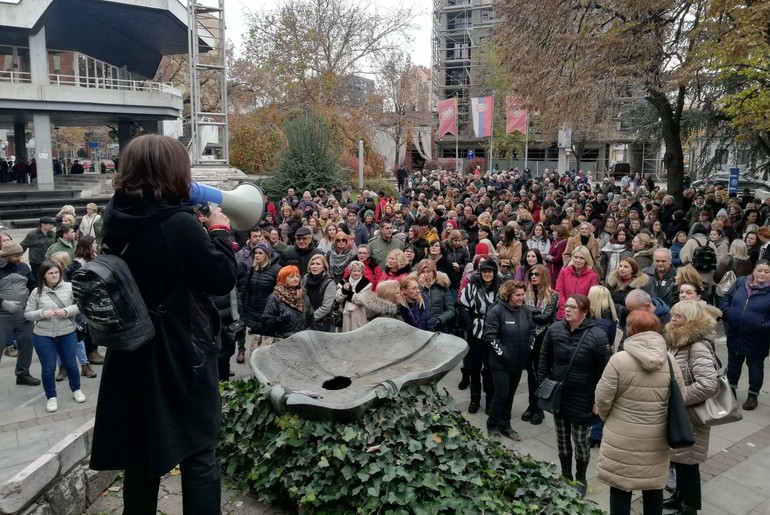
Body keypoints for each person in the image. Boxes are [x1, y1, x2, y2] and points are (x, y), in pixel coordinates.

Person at [89, 134, 237, 514]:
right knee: (198, 451)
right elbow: (221, 277)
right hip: (179, 349)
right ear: (172, 172)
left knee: (142, 452)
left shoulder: (115, 217)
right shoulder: (178, 224)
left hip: (132, 349)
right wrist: (219, 231)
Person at [595, 310, 684, 515]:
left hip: (621, 437)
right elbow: (681, 397)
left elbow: (603, 398)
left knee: (620, 489)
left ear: (631, 330)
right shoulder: (670, 361)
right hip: (657, 437)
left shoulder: (619, 360)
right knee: (653, 489)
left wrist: (609, 418)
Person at [538, 294, 611, 497]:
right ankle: (566, 473)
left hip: (583, 397)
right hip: (560, 395)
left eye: (573, 307)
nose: (567, 310)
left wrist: (599, 399)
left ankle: (580, 477)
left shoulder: (597, 336)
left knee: (579, 440)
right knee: (562, 439)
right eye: (566, 306)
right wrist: (544, 384)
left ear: (585, 311)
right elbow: (544, 358)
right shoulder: (555, 330)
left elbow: (606, 370)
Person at [663, 300, 719, 514]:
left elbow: (708, 384)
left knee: (688, 463)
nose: (673, 320)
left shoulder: (697, 345)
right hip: (682, 415)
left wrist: (679, 399)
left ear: (691, 320)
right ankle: (680, 497)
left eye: (678, 316)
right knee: (682, 461)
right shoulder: (677, 339)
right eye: (673, 315)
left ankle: (690, 507)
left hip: (691, 415)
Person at [24, 260, 86, 413]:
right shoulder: (36, 292)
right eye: (50, 273)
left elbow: (80, 305)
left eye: (56, 272)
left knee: (71, 364)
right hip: (43, 335)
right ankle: (51, 397)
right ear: (43, 275)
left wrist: (66, 311)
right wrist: (41, 313)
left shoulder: (69, 287)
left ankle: (76, 389)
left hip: (67, 333)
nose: (54, 276)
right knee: (48, 368)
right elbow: (27, 314)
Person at [720, 259, 770, 411]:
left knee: (755, 367)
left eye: (767, 272)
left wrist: (763, 325)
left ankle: (752, 395)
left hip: (758, 336)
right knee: (733, 363)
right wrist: (727, 313)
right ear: (753, 270)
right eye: (759, 270)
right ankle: (731, 390)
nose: (762, 274)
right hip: (735, 332)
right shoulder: (741, 282)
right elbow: (726, 297)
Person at [459, 259, 503, 414]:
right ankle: (474, 399)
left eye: (490, 271)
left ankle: (490, 400)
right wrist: (470, 325)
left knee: (490, 367)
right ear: (480, 272)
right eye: (484, 271)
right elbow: (463, 306)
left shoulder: (501, 288)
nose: (487, 274)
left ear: (494, 273)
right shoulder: (472, 287)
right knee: (474, 366)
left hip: (494, 331)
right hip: (476, 329)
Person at [521, 264, 558, 426]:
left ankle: (539, 408)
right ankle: (531, 404)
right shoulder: (525, 293)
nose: (533, 277)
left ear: (544, 276)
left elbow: (546, 318)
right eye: (531, 275)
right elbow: (522, 311)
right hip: (529, 336)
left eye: (537, 274)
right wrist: (535, 312)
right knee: (530, 371)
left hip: (544, 336)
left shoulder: (553, 295)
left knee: (541, 372)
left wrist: (530, 312)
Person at [0, 241, 41, 386]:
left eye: (20, 255)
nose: (19, 258)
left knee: (27, 344)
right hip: (2, 316)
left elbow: (32, 286)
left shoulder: (23, 267)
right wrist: (3, 303)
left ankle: (23, 374)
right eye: (16, 255)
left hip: (23, 314)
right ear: (6, 255)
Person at [237, 241, 280, 362]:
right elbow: (247, 289)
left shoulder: (276, 270)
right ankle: (255, 374)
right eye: (255, 253)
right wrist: (245, 307)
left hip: (267, 314)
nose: (256, 255)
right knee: (255, 347)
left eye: (260, 253)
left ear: (266, 254)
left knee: (267, 346)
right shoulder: (254, 269)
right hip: (253, 311)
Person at [262, 265, 314, 339]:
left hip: (303, 340)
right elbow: (266, 321)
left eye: (297, 276)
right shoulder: (275, 297)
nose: (295, 279)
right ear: (283, 279)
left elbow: (311, 318)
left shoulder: (304, 295)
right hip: (283, 341)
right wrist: (278, 320)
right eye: (291, 277)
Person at [555, 245, 600, 319]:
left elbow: (592, 297)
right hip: (564, 313)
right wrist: (566, 308)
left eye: (582, 258)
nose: (578, 260)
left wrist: (579, 311)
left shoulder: (593, 276)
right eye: (576, 257)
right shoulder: (564, 272)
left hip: (581, 315)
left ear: (587, 259)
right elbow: (559, 291)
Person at [413, 259, 455, 332]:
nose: (426, 275)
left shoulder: (442, 286)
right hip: (421, 328)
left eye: (428, 271)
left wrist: (439, 320)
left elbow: (451, 310)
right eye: (423, 272)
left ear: (434, 273)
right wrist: (421, 287)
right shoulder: (414, 287)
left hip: (439, 328)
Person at [606, 257, 649, 325]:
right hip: (611, 318)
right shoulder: (612, 282)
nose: (622, 269)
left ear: (632, 269)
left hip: (630, 320)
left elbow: (638, 307)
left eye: (626, 267)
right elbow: (605, 301)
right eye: (620, 266)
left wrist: (618, 308)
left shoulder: (639, 285)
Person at [301, 255, 336, 332]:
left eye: (318, 264)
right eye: (312, 264)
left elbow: (326, 307)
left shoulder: (329, 283)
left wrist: (310, 318)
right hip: (304, 320)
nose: (314, 266)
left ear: (324, 267)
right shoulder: (305, 278)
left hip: (321, 323)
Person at [336, 261, 372, 332]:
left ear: (362, 272)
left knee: (358, 334)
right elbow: (337, 298)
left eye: (358, 271)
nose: (356, 273)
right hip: (345, 313)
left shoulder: (366, 284)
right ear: (350, 271)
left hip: (359, 314)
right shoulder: (343, 282)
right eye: (354, 271)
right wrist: (343, 291)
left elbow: (362, 300)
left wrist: (349, 293)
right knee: (346, 334)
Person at [20, 216, 56, 281]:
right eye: (50, 224)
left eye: (52, 224)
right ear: (43, 224)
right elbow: (23, 246)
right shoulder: (32, 235)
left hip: (49, 262)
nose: (52, 225)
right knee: (37, 280)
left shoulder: (53, 234)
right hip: (36, 262)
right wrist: (19, 256)